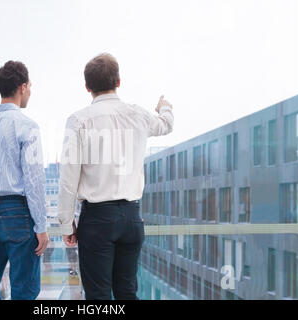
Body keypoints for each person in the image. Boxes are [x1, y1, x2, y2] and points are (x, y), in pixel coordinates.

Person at [57, 53, 174, 300]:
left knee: (98, 297)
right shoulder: (138, 115)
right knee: (127, 293)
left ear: (87, 87)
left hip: (98, 220)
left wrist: (67, 224)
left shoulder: (78, 121)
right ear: (118, 81)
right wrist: (164, 106)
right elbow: (166, 124)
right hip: (132, 218)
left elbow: (68, 178)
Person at [0, 61, 49, 300]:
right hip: (17, 212)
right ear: (23, 87)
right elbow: (34, 181)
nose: (30, 92)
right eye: (31, 87)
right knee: (24, 289)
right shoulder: (27, 126)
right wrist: (41, 227)